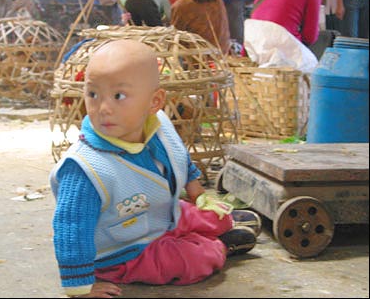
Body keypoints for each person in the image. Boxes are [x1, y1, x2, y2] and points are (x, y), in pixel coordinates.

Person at [50, 39, 261, 298]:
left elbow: (178, 157)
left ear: (154, 102)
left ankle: (224, 223)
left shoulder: (157, 125)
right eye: (93, 94)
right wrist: (80, 287)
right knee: (191, 260)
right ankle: (221, 247)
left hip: (162, 211)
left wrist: (197, 193)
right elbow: (71, 227)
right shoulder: (86, 168)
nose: (103, 108)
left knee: (204, 213)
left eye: (119, 96)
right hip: (126, 250)